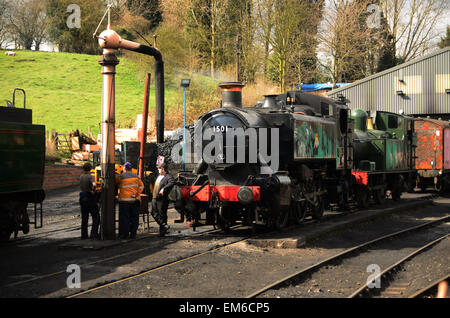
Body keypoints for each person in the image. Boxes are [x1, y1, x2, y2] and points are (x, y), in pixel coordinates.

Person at [116, 162, 144, 239]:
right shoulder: (136, 177)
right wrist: (137, 194)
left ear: (124, 168)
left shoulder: (121, 177)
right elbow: (142, 187)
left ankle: (125, 234)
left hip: (124, 201)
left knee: (125, 218)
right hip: (134, 200)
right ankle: (133, 234)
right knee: (134, 217)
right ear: (131, 169)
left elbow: (115, 183)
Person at [151, 162, 175, 236]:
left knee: (162, 214)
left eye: (159, 168)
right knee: (153, 212)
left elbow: (172, 182)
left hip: (162, 199)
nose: (158, 170)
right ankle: (164, 225)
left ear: (163, 169)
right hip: (154, 197)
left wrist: (164, 188)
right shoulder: (159, 176)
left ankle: (162, 231)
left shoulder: (168, 176)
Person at [79, 162, 99, 239]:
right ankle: (93, 234)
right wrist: (93, 190)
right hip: (89, 197)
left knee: (84, 218)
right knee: (96, 216)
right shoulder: (90, 176)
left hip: (82, 196)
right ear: (90, 169)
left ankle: (84, 235)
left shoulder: (81, 176)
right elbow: (94, 185)